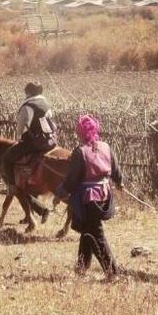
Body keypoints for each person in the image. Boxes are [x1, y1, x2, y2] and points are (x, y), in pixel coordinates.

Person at [58, 114, 122, 278]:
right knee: (88, 230)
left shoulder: (80, 152)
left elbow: (72, 179)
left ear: (80, 133)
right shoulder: (106, 147)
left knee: (97, 233)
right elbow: (115, 170)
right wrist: (119, 182)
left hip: (89, 198)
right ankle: (81, 268)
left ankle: (112, 272)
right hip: (105, 195)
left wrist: (60, 193)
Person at [0, 82, 56, 221]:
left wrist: (19, 139)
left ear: (28, 93)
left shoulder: (27, 107)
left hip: (33, 144)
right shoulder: (46, 105)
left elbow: (20, 129)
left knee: (6, 158)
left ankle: (12, 185)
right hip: (49, 143)